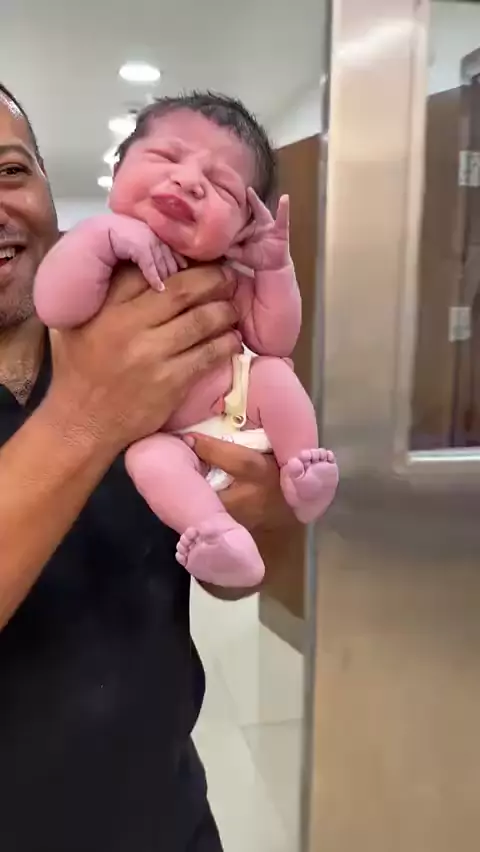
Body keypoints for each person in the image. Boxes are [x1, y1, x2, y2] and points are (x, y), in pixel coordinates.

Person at [0, 82, 294, 852]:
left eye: (10, 171)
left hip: (170, 819)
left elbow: (242, 574)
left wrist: (260, 518)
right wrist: (87, 415)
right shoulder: (113, 367)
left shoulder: (145, 327)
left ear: (47, 184)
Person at [34, 92, 339, 589]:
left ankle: (302, 469)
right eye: (165, 156)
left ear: (242, 228)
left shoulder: (224, 273)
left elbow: (275, 338)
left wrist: (275, 271)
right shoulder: (94, 249)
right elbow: (56, 306)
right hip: (169, 439)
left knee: (273, 375)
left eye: (222, 186)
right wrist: (101, 239)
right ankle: (216, 534)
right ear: (117, 170)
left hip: (236, 405)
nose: (189, 180)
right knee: (148, 461)